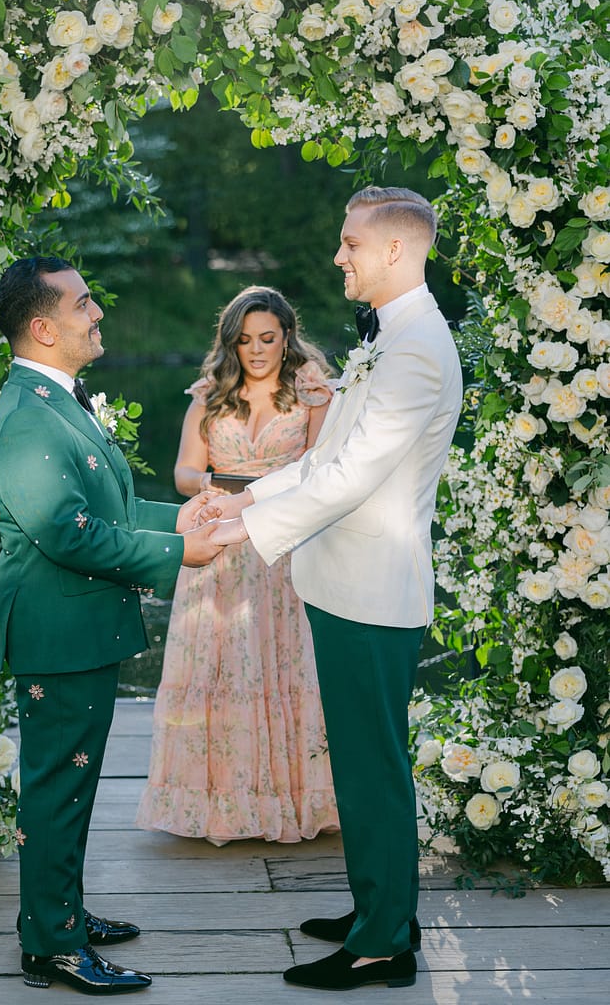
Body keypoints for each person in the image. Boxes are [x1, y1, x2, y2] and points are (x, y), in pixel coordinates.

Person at [204, 188, 463, 992]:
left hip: (372, 593)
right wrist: (243, 498)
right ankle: (375, 910)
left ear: (394, 250)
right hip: (344, 585)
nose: (339, 257)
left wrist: (244, 534)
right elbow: (324, 461)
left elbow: (353, 478)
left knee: (371, 768)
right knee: (359, 761)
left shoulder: (416, 347)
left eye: (351, 244)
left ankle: (385, 943)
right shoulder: (393, 339)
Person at [0, 256, 223, 995]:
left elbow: (103, 511)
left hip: (77, 626)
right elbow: (66, 532)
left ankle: (61, 913)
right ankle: (51, 946)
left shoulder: (57, 399)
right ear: (43, 326)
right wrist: (180, 551)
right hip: (58, 633)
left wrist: (176, 517)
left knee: (73, 784)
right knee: (58, 787)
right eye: (84, 305)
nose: (98, 314)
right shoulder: (28, 417)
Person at [136, 287, 341, 844]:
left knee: (284, 666)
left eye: (268, 338)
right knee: (218, 668)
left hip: (283, 546)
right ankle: (219, 802)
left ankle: (294, 798)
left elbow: (320, 472)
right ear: (231, 342)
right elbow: (182, 472)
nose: (256, 350)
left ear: (287, 337)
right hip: (218, 543)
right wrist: (213, 487)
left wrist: (255, 499)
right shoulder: (210, 395)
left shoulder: (313, 394)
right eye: (245, 339)